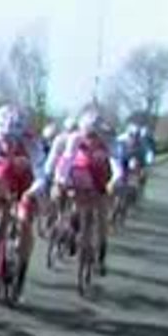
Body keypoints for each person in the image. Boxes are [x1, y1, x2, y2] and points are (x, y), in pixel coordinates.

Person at [0, 104, 48, 299]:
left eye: (14, 139)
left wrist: (32, 193)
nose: (9, 143)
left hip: (27, 184)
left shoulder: (32, 144)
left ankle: (21, 269)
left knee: (24, 222)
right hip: (5, 181)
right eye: (4, 138)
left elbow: (41, 177)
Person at [55, 107, 123, 275]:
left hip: (102, 180)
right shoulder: (75, 139)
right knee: (76, 206)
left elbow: (117, 166)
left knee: (101, 220)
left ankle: (100, 257)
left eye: (93, 136)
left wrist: (114, 181)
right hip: (82, 179)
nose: (90, 139)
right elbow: (66, 160)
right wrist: (61, 180)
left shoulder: (110, 142)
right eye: (87, 135)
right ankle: (73, 227)